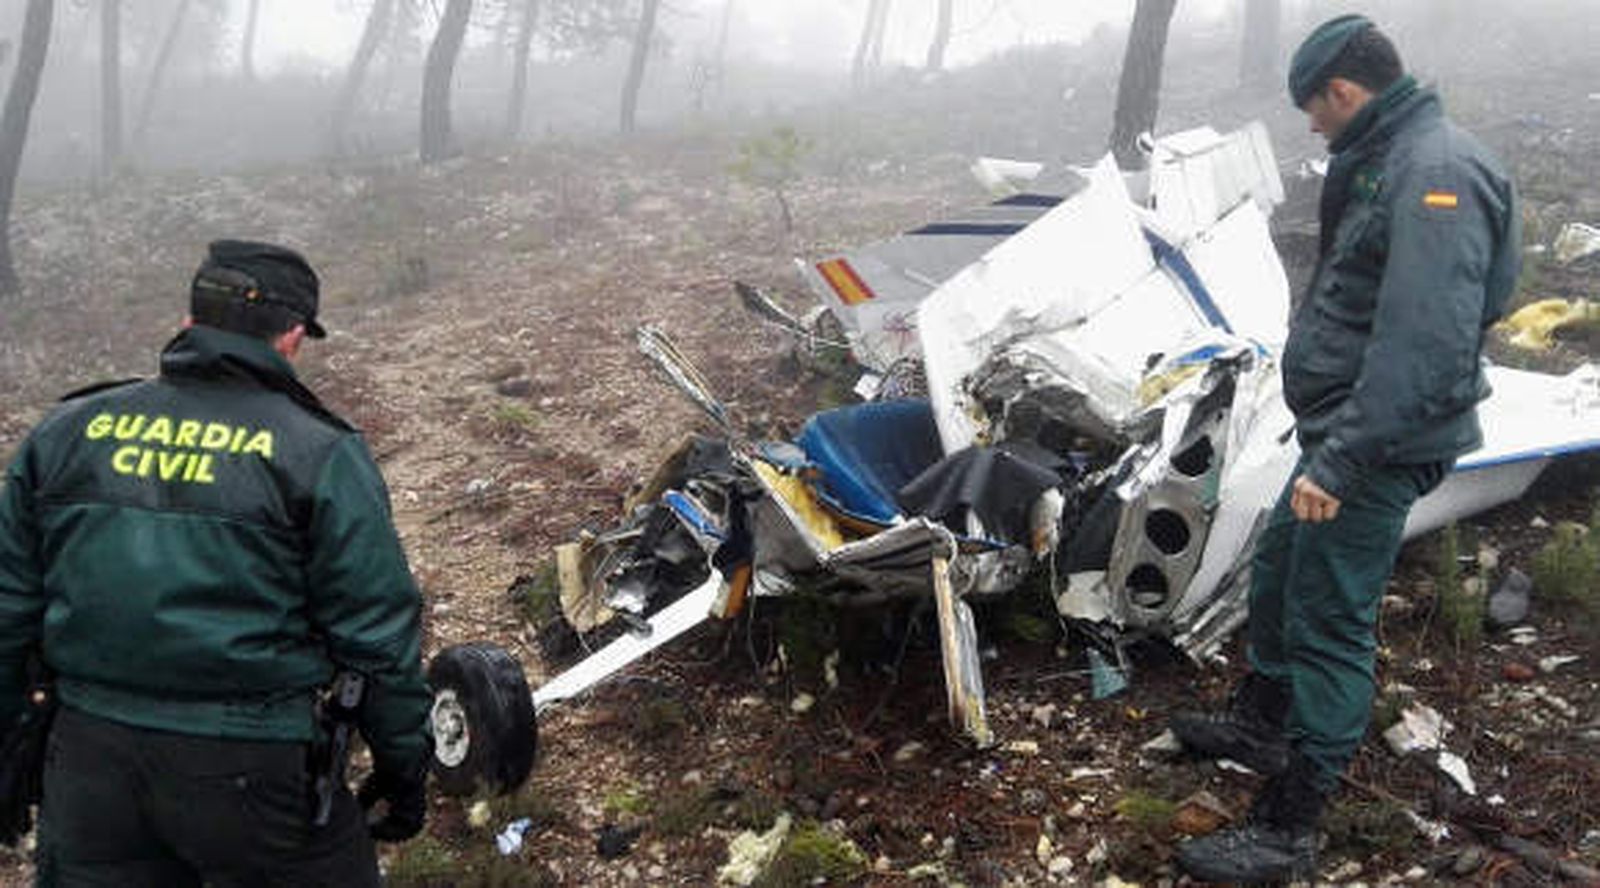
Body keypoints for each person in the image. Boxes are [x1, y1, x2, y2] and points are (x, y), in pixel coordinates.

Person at [1170, 15, 1521, 883]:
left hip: (1375, 443)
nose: (1311, 127)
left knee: (1331, 619)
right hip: (1349, 427)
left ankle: (1290, 828)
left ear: (1343, 91)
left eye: (1312, 111)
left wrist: (1343, 457)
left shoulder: (1433, 172)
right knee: (1283, 569)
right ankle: (1261, 724)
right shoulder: (1391, 158)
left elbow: (1430, 345)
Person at [0, 240, 434, 886]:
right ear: (291, 337)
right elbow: (376, 635)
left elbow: (9, 609)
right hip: (251, 767)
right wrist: (405, 770)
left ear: (189, 323)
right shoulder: (318, 450)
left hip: (89, 761)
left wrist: (13, 744)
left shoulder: (66, 430)